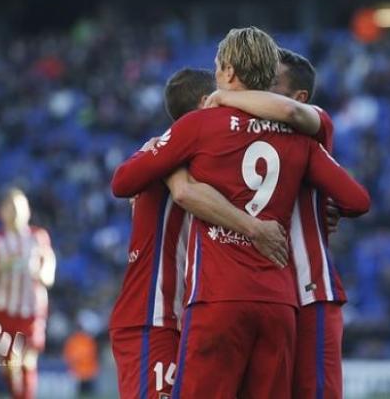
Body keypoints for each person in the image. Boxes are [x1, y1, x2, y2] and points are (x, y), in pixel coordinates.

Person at [111, 26, 370, 399]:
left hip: (218, 299)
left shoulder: (199, 128)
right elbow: (357, 199)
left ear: (229, 73)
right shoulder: (303, 138)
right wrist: (326, 207)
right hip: (280, 301)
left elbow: (127, 183)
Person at [109, 68, 289, 399]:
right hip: (156, 313)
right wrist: (254, 228)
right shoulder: (171, 151)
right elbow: (122, 181)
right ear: (206, 102)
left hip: (196, 317)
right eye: (223, 98)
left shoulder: (209, 156)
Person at [205, 48, 348, 398]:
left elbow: (289, 111)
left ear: (300, 96)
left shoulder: (313, 126)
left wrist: (223, 95)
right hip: (262, 294)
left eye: (270, 85)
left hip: (309, 288)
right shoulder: (234, 137)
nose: (258, 93)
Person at [0, 188, 56, 399]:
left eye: (20, 207)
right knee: (10, 366)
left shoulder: (39, 237)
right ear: (2, 212)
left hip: (32, 310)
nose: (16, 212)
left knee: (27, 359)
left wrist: (45, 274)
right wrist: (2, 265)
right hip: (4, 312)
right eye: (11, 208)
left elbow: (49, 265)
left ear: (28, 211)